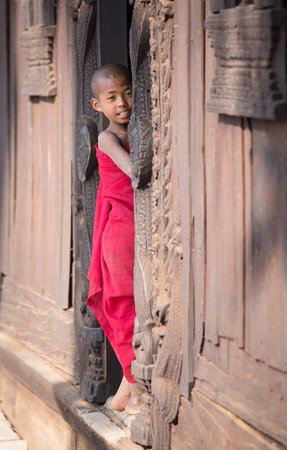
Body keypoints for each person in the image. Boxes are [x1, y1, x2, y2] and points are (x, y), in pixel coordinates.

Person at [87, 64, 142, 415]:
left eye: (127, 93)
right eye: (111, 98)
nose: (122, 103)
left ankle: (123, 395)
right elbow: (135, 170)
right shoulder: (109, 139)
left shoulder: (131, 130)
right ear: (97, 106)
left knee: (137, 309)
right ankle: (137, 393)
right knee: (125, 308)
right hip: (119, 232)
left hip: (135, 229)